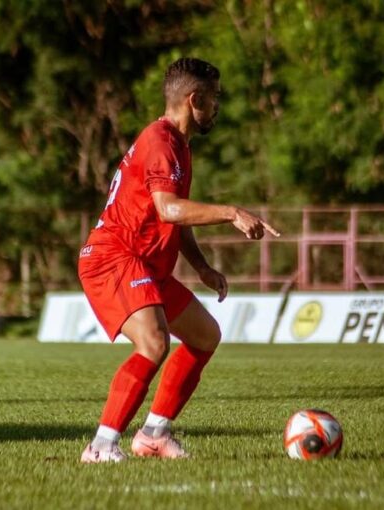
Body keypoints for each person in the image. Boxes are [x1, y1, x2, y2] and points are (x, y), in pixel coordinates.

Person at [78, 58, 280, 463]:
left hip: (146, 265)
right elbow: (170, 210)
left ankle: (154, 434)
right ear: (194, 99)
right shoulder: (159, 142)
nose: (218, 106)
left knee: (205, 336)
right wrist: (231, 212)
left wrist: (202, 267)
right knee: (154, 343)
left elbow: (174, 216)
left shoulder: (178, 145)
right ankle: (100, 446)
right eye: (215, 98)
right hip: (113, 258)